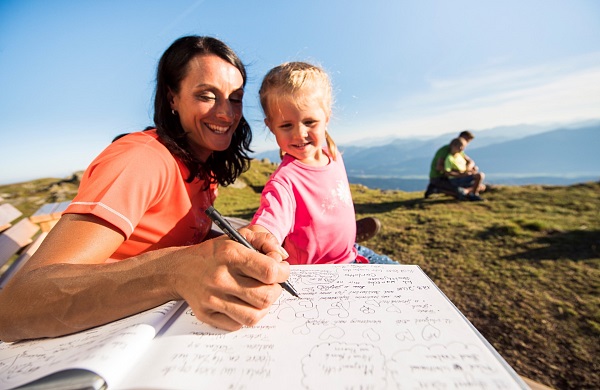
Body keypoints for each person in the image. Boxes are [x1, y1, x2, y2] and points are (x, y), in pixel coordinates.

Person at [0, 36, 292, 342]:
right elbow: (16, 306)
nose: (226, 113)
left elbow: (185, 235)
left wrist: (236, 246)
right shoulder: (141, 160)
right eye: (207, 95)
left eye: (235, 98)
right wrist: (174, 272)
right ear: (172, 99)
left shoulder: (202, 166)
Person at [248, 62, 396, 265]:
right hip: (322, 271)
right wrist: (259, 236)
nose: (300, 133)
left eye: (309, 122)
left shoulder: (333, 155)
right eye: (286, 125)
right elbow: (269, 222)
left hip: (351, 251)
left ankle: (343, 235)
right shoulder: (284, 182)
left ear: (326, 115)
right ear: (271, 126)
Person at [425, 130, 481, 200]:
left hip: (453, 176)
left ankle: (467, 191)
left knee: (480, 186)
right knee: (460, 192)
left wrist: (468, 169)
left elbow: (470, 162)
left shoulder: (459, 150)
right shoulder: (445, 150)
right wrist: (459, 173)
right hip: (440, 177)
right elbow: (439, 167)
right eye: (467, 140)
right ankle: (436, 189)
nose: (466, 144)